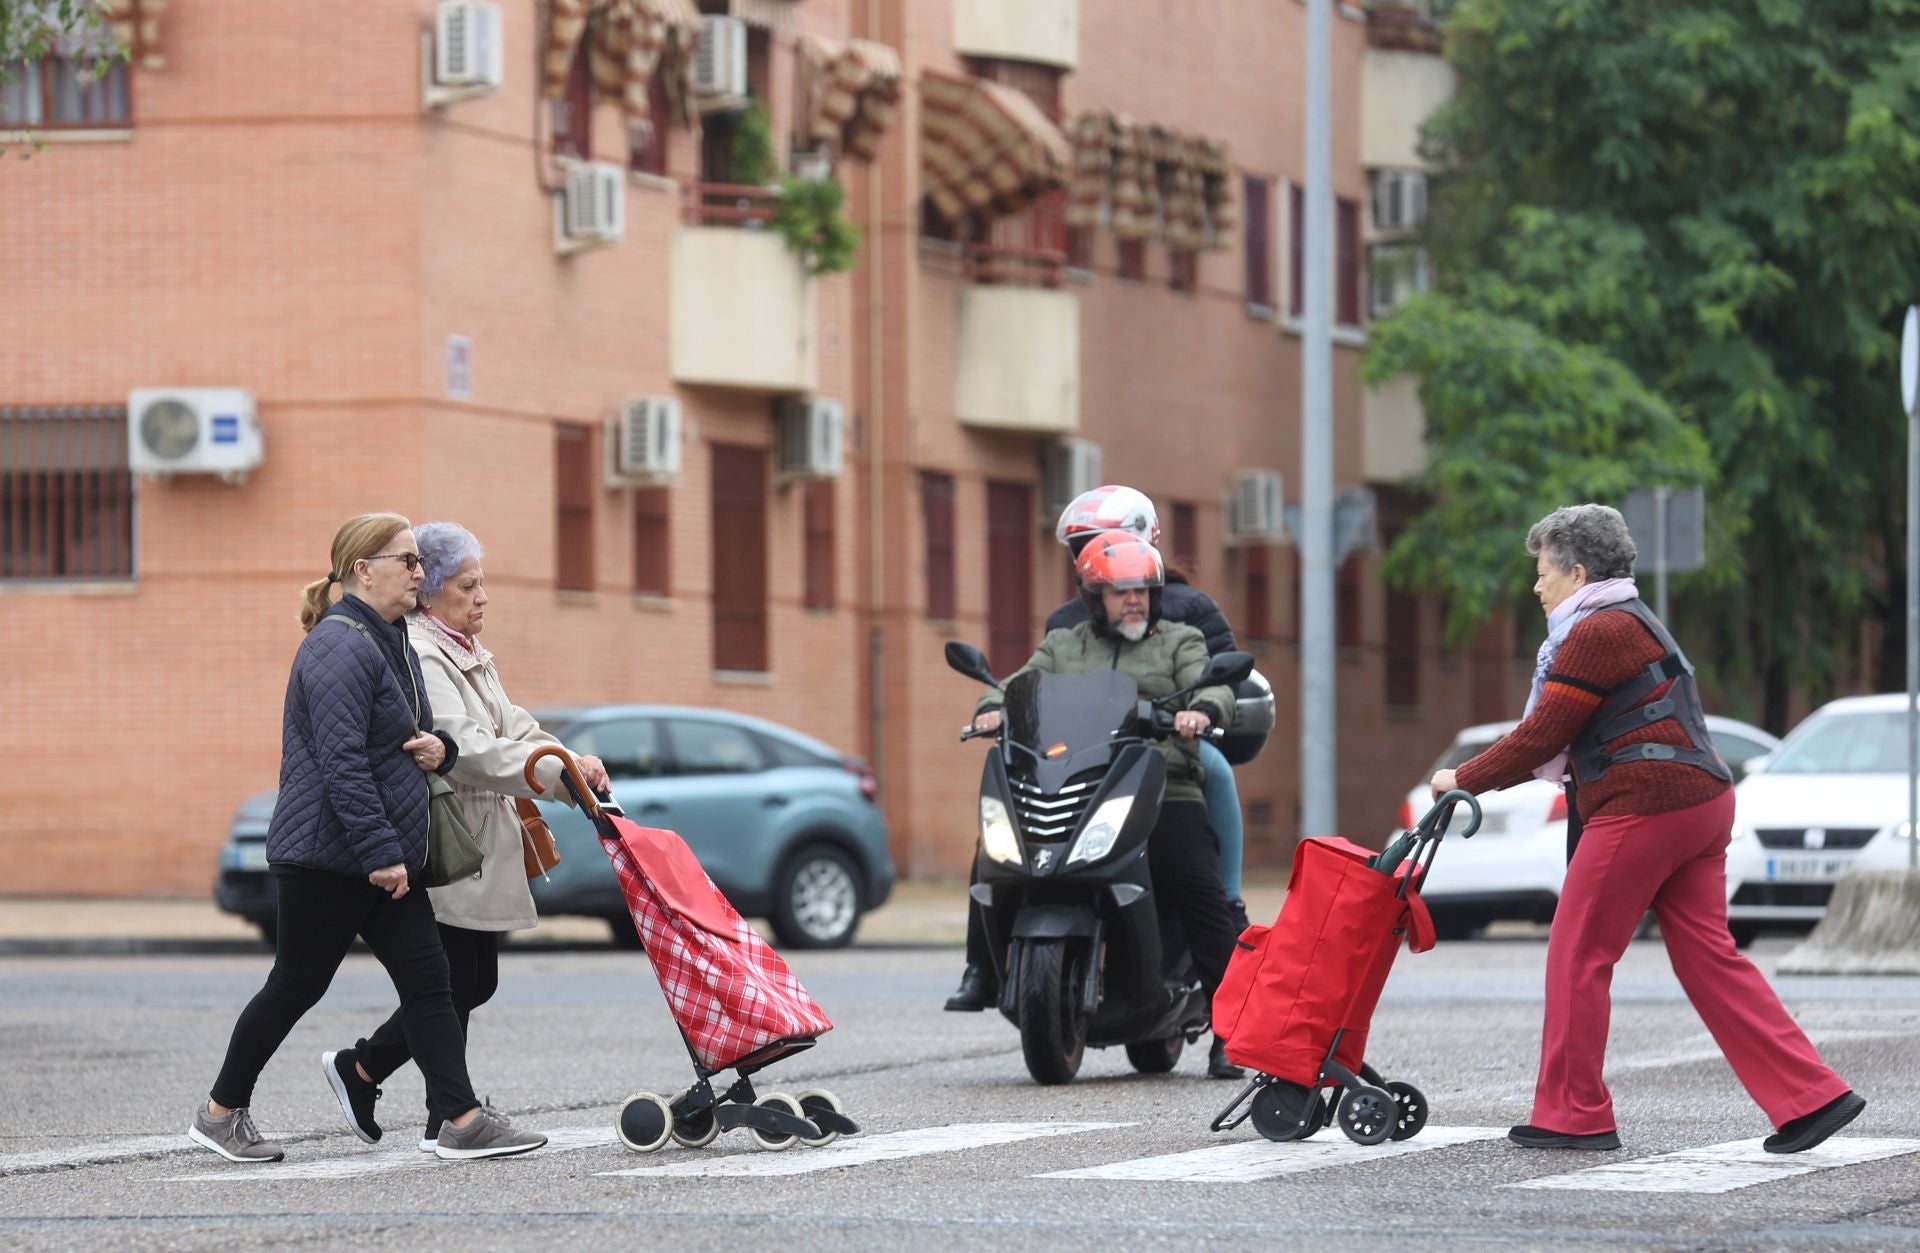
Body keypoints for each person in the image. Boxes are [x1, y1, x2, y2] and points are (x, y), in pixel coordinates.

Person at [1431, 504, 1864, 1154]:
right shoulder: (1635, 620)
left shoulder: (1597, 631)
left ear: (1577, 572)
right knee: (1710, 959)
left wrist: (1460, 776)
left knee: (1579, 952)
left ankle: (1574, 1113)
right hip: (1701, 802)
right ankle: (1813, 1096)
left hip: (1648, 803)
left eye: (1543, 570)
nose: (1535, 585)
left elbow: (1543, 734)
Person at [188, 513, 548, 1164]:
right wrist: (382, 851)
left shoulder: (391, 640)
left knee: (434, 978)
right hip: (330, 856)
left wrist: (439, 749)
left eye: (418, 562)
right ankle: (220, 1110)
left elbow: (410, 736)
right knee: (296, 983)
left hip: (381, 852)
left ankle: (460, 1117)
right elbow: (340, 761)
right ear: (364, 570)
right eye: (408, 562)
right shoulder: (337, 645)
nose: (419, 573)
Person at [322, 522, 611, 1151]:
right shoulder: (426, 653)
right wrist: (551, 773)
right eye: (467, 585)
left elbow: (514, 726)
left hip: (482, 837)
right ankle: (441, 1109)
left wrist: (568, 762)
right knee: (450, 980)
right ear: (431, 593)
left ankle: (376, 1075)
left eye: (484, 584)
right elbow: (469, 749)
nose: (482, 597)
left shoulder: (468, 650)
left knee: (469, 981)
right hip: (449, 839)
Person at [959, 528, 1243, 1079]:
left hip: (1160, 781)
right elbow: (1021, 682)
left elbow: (1213, 686)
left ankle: (1234, 1030)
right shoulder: (1066, 645)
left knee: (1196, 881)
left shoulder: (1179, 640)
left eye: (1141, 590)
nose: (1133, 600)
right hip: (1071, 779)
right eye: (1119, 592)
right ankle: (981, 972)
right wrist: (993, 707)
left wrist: (1202, 710)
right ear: (1095, 598)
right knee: (991, 852)